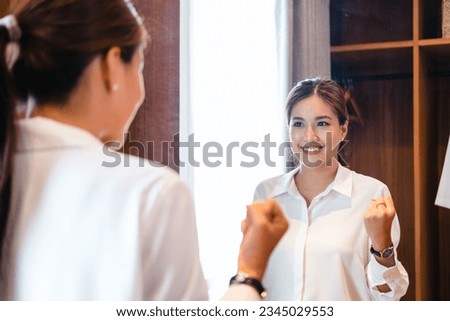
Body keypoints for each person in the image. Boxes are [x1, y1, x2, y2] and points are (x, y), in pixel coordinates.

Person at [0, 0, 288, 300]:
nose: (141, 92)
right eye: (139, 66)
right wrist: (250, 274)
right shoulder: (150, 193)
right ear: (111, 66)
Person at [253, 78, 409, 300]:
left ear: (343, 129)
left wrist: (382, 246)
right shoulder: (265, 193)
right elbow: (254, 278)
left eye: (322, 123)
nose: (309, 136)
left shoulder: (372, 195)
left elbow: (388, 296)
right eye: (298, 123)